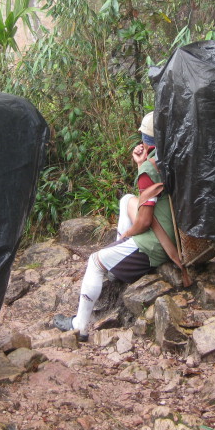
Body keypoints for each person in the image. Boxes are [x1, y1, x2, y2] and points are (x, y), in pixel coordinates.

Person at [53, 112, 177, 340]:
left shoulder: (150, 168)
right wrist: (141, 164)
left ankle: (79, 326)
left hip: (158, 243)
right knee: (126, 200)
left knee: (94, 262)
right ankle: (116, 259)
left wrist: (127, 236)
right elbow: (149, 197)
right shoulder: (173, 155)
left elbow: (144, 221)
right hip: (175, 230)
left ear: (146, 139)